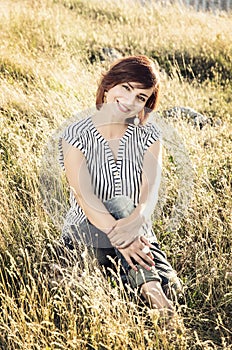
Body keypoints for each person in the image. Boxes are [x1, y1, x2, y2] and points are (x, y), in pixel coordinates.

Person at [58, 55, 183, 318]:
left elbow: (151, 186)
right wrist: (122, 239)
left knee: (175, 289)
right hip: (88, 231)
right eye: (126, 88)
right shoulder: (75, 134)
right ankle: (151, 292)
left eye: (140, 97)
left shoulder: (149, 135)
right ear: (109, 85)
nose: (130, 101)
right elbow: (85, 196)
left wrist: (138, 219)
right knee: (118, 202)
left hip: (138, 231)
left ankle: (144, 287)